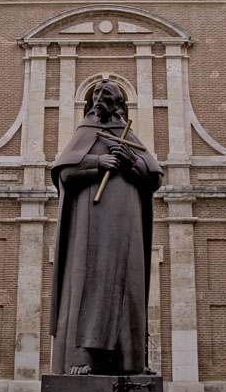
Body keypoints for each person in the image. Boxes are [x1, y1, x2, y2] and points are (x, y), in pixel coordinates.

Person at [50, 79, 163, 375]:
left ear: (119, 104)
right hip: (92, 227)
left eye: (107, 95)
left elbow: (154, 178)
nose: (100, 98)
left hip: (128, 227)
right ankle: (83, 359)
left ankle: (131, 361)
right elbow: (65, 173)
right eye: (96, 94)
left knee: (130, 286)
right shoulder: (85, 133)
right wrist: (98, 161)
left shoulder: (130, 136)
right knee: (91, 284)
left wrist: (132, 162)